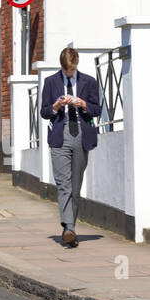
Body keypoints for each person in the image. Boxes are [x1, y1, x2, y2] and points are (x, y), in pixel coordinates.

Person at [40, 46, 101, 247]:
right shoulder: (50, 82)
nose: (69, 73)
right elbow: (44, 112)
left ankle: (70, 227)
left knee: (75, 187)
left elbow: (97, 109)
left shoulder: (89, 82)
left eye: (72, 70)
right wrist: (57, 106)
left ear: (76, 65)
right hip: (60, 134)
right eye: (66, 70)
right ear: (62, 67)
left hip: (82, 134)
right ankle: (69, 229)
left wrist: (82, 103)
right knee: (63, 184)